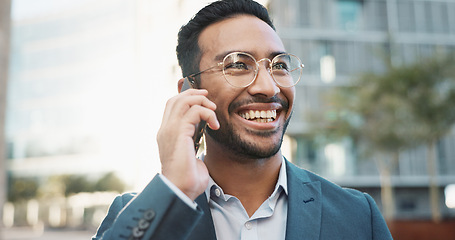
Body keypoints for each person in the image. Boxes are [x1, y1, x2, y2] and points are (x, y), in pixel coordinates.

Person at [92, 0, 393, 239]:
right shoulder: (136, 213)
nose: (269, 87)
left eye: (279, 65)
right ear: (190, 92)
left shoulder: (357, 215)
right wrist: (177, 190)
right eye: (238, 65)